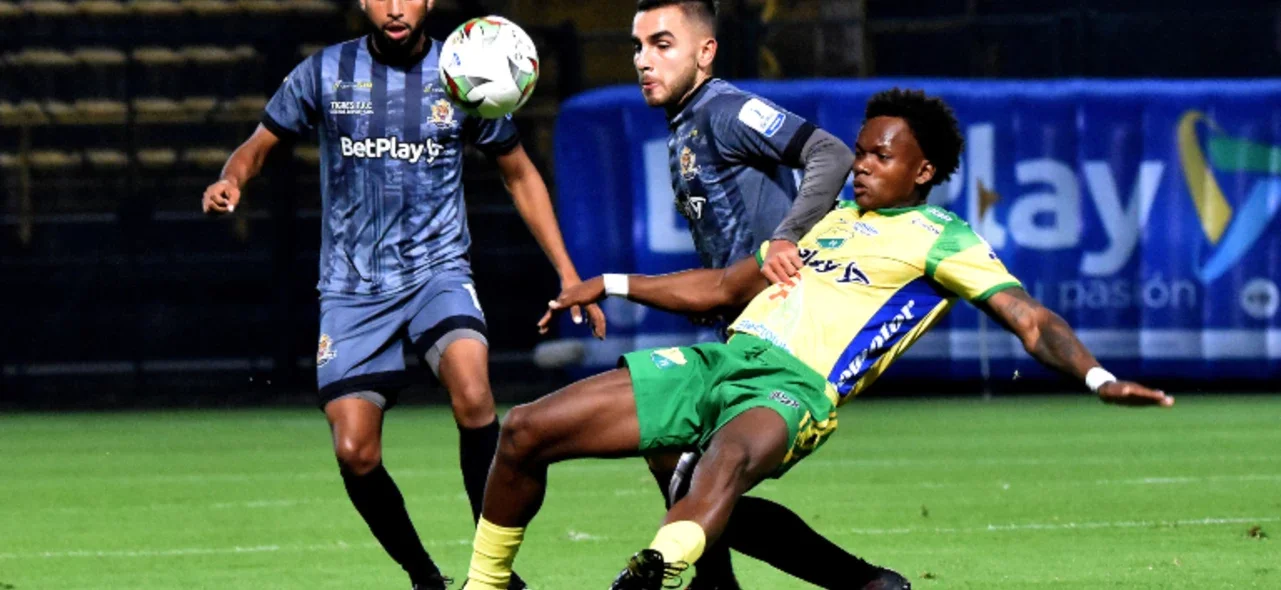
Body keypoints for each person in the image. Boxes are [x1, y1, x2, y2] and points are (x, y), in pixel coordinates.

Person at [464, 88, 1174, 590]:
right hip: (720, 359)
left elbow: (1030, 319)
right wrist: (609, 282)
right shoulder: (822, 219)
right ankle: (485, 585)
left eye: (880, 156)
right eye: (859, 151)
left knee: (721, 466)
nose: (861, 164)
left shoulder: (942, 238)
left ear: (921, 172)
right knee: (526, 428)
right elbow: (720, 289)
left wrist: (1096, 378)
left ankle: (654, 569)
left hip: (794, 386)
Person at [200, 0, 603, 587]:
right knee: (355, 453)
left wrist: (568, 274)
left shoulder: (465, 70)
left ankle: (492, 572)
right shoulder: (325, 72)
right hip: (351, 286)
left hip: (436, 271)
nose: (394, 8)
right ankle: (424, 577)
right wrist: (231, 178)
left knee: (473, 390)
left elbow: (518, 172)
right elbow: (260, 143)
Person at [624, 1, 876, 587]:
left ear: (705, 53)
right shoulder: (685, 122)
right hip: (742, 329)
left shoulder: (727, 110)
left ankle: (863, 584)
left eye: (662, 44)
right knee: (675, 462)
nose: (643, 61)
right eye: (637, 47)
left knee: (693, 474)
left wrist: (785, 238)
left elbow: (831, 153)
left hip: (781, 341)